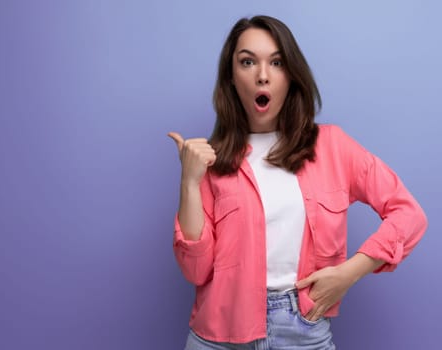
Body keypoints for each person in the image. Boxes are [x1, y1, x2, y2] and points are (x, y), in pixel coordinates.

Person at [167, 15, 428, 350]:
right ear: (231, 78)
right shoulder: (211, 160)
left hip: (303, 331)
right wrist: (189, 182)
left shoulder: (332, 146)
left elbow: (409, 215)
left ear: (291, 75)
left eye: (276, 63)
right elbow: (195, 271)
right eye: (247, 62)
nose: (263, 75)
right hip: (218, 336)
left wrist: (349, 274)